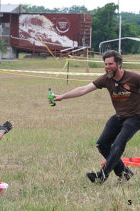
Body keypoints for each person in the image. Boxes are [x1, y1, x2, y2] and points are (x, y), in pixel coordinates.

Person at [54, 50, 140, 184]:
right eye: (105, 64)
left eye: (110, 64)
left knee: (118, 144)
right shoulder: (105, 79)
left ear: (119, 64)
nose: (107, 67)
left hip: (135, 117)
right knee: (102, 144)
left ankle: (101, 176)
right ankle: (125, 173)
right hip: (118, 117)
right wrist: (62, 97)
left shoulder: (134, 77)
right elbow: (83, 89)